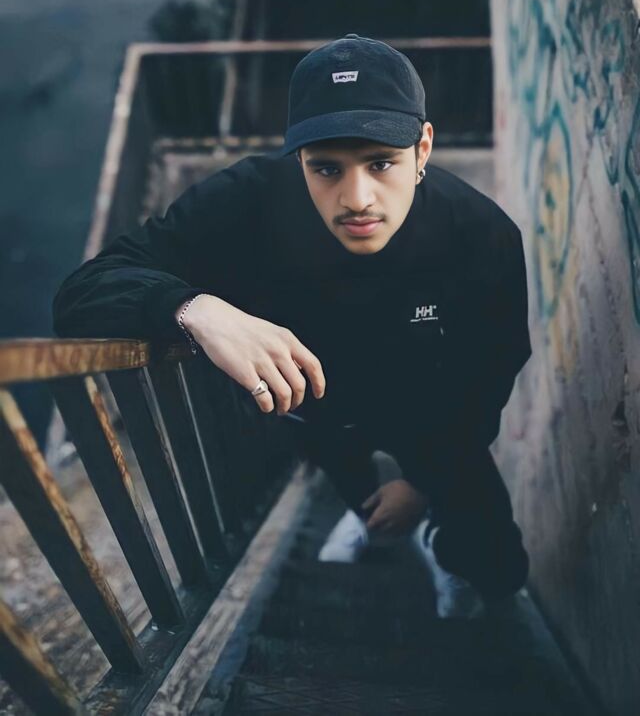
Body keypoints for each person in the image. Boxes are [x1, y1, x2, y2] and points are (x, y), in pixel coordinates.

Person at [52, 33, 532, 619]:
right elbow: (83, 292)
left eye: (381, 163)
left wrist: (422, 485)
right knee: (362, 497)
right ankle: (369, 523)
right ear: (298, 159)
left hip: (432, 416)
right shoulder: (253, 198)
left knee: (495, 557)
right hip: (318, 409)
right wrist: (195, 308)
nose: (356, 199)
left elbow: (492, 368)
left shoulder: (480, 235)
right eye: (326, 167)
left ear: (423, 148)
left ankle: (450, 558)